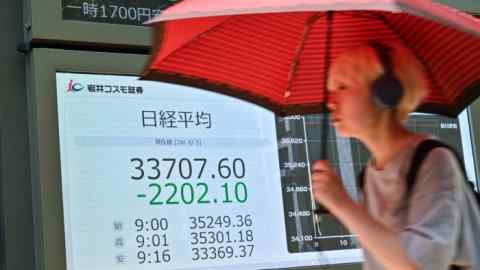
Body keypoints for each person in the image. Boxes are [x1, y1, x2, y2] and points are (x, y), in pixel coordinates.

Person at [311, 41, 480, 270]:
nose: (330, 102)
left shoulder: (435, 160)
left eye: (342, 87)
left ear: (384, 94)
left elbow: (418, 264)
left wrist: (342, 204)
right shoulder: (370, 177)